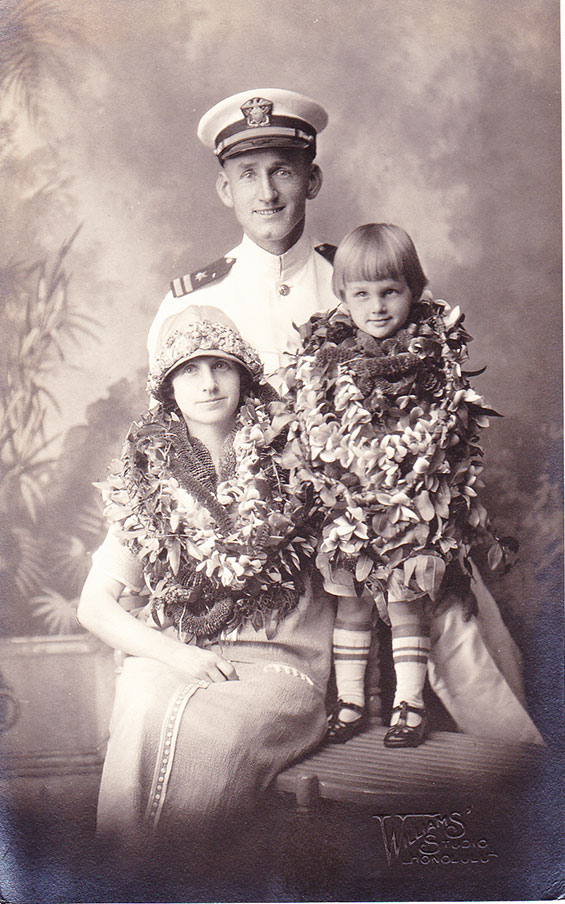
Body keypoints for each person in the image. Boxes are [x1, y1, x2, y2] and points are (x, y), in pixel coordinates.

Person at [279, 222, 543, 748]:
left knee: (406, 603)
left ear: (414, 289)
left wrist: (423, 501)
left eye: (390, 291)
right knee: (351, 602)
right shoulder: (326, 360)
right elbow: (313, 432)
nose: (376, 307)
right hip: (347, 506)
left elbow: (448, 438)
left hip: (411, 510)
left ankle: (409, 704)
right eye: (361, 294)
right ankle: (352, 702)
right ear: (343, 297)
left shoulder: (434, 360)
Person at [77, 304, 334, 841]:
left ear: (243, 374)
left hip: (278, 669)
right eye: (189, 370)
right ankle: (126, 885)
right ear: (169, 389)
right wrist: (175, 653)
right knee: (145, 694)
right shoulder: (146, 483)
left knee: (199, 727)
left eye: (220, 364)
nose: (209, 382)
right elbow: (93, 605)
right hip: (186, 657)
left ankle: (182, 885)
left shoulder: (298, 459)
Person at [147, 88, 337, 378]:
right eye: (249, 175)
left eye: (282, 171)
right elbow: (168, 420)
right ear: (226, 189)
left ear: (311, 181)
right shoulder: (188, 304)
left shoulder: (363, 283)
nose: (267, 193)